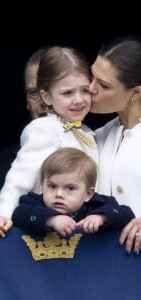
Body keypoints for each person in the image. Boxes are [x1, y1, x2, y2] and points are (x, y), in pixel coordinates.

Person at [0, 45, 99, 237]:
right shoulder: (44, 128)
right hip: (45, 236)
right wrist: (2, 216)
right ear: (46, 96)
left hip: (82, 235)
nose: (79, 99)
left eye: (85, 90)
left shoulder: (85, 132)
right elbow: (18, 179)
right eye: (68, 93)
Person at [0, 47, 48, 226]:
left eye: (53, 89)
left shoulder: (96, 146)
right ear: (27, 101)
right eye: (34, 93)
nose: (45, 101)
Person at [89, 34, 141, 254]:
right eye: (91, 76)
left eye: (103, 85)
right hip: (104, 271)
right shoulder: (96, 136)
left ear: (136, 93)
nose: (90, 88)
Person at [12, 147, 134, 236]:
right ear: (43, 184)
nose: (59, 194)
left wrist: (102, 217)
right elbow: (19, 214)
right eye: (52, 186)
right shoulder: (34, 202)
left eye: (70, 188)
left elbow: (126, 214)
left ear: (88, 194)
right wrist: (51, 220)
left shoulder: (98, 204)